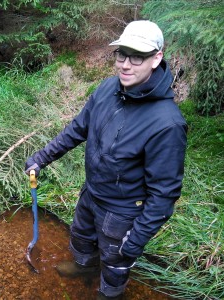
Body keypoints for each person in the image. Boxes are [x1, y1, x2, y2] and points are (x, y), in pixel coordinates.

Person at [25, 20, 187, 300]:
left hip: (122, 212)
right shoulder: (107, 89)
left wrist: (136, 239)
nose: (125, 64)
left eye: (137, 56)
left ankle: (109, 294)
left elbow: (164, 194)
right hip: (92, 193)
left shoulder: (167, 124)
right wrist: (42, 157)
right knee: (81, 238)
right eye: (121, 54)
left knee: (115, 261)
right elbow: (77, 129)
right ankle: (83, 267)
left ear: (156, 58)